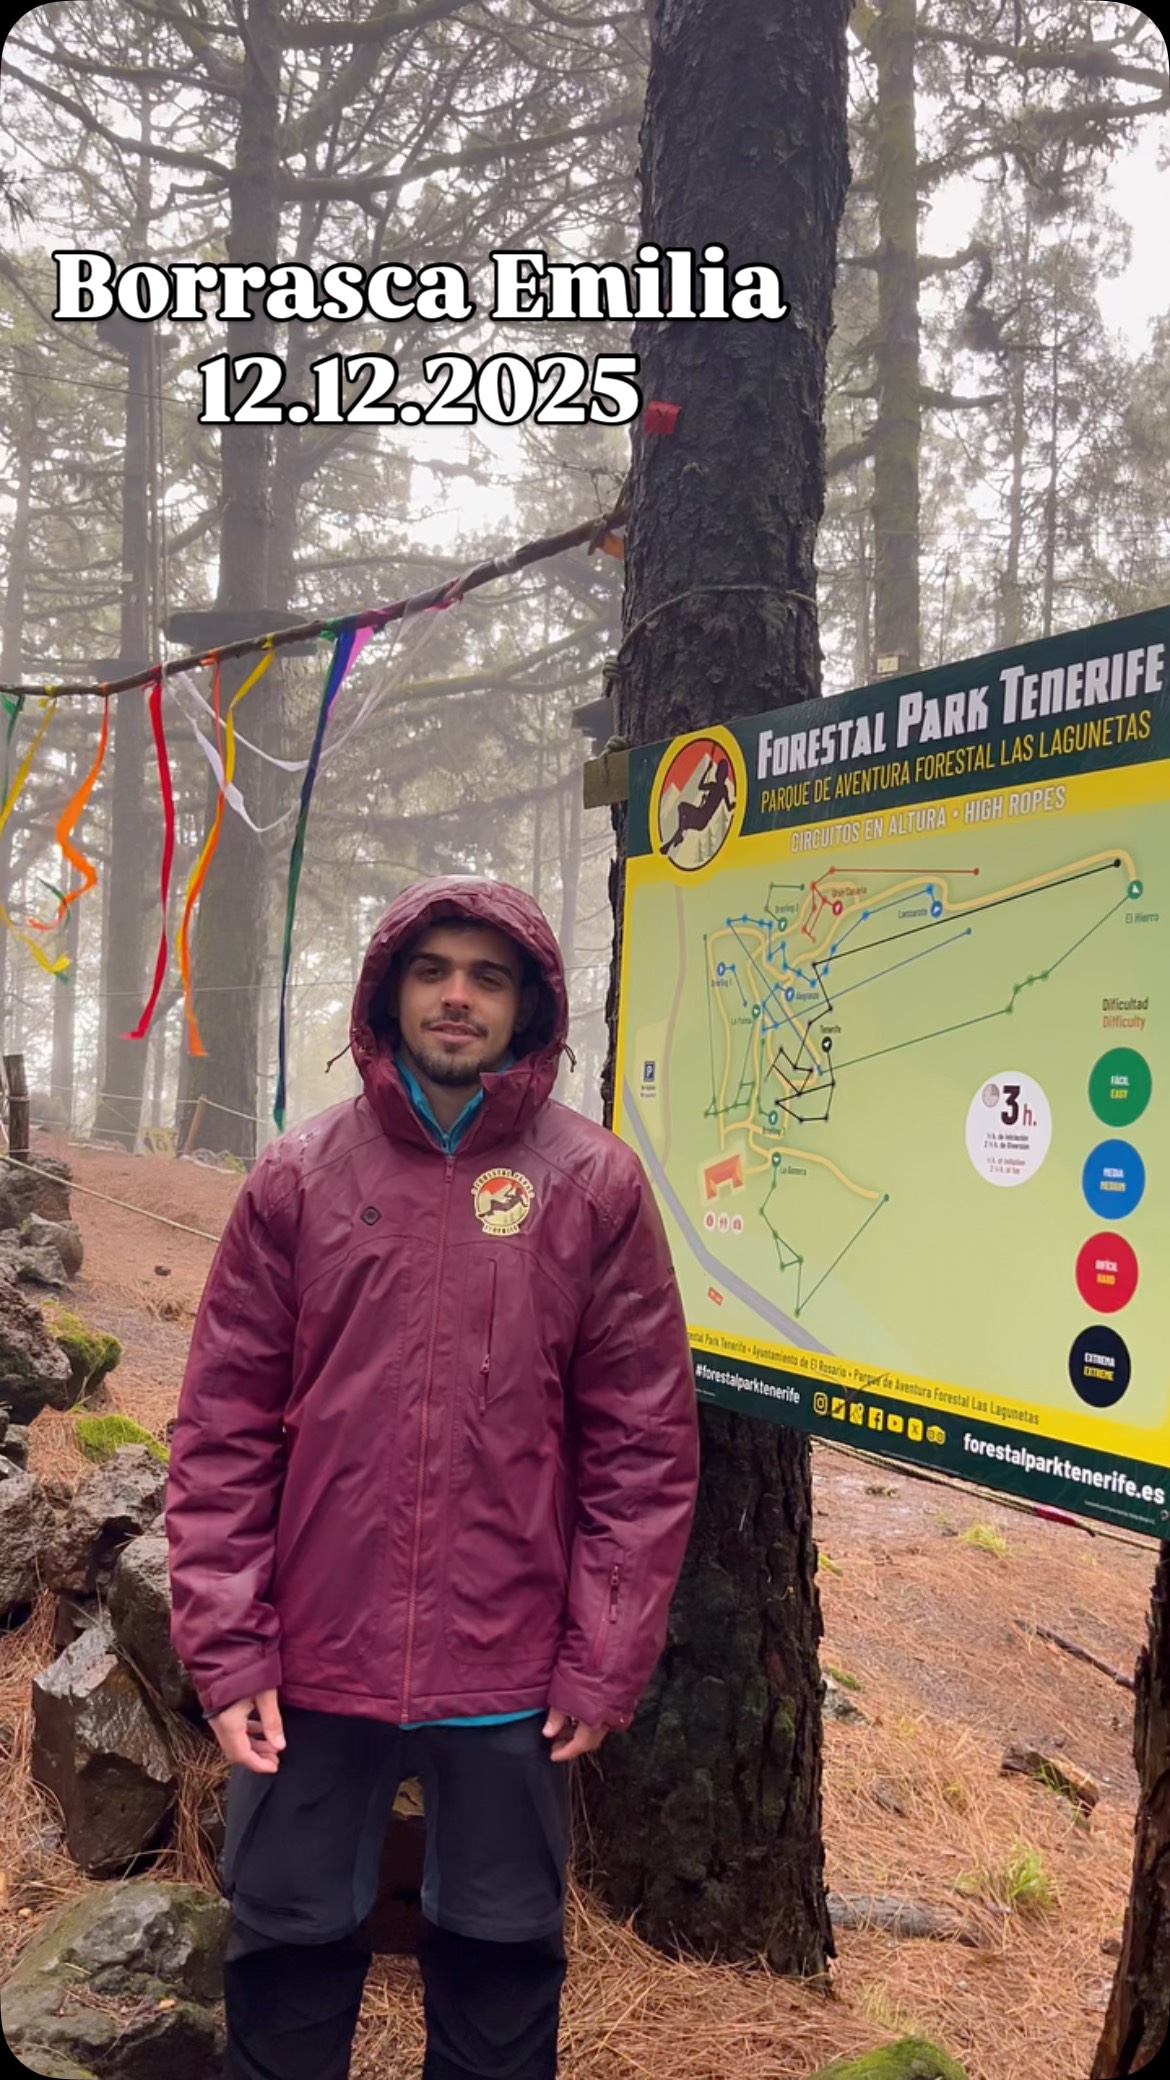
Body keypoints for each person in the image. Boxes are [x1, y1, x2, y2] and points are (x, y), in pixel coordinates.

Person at [166, 875, 699, 2080]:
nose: (458, 996)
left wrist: (603, 1653)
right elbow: (222, 1430)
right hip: (315, 1657)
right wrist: (230, 1647)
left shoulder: (595, 1187)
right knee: (285, 1950)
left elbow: (641, 1444)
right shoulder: (299, 1177)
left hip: (512, 1667)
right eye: (434, 970)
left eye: (488, 977)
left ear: (529, 1005)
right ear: (390, 992)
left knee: (502, 1965)